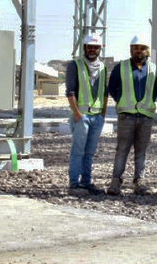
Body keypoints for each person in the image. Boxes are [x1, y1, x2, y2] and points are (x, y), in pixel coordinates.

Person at [106, 34, 157, 195]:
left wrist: (147, 102)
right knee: (122, 150)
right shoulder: (121, 67)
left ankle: (139, 181)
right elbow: (112, 88)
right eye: (136, 48)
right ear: (131, 49)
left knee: (141, 151)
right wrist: (122, 100)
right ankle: (116, 181)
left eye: (142, 48)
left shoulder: (154, 69)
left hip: (145, 117)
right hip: (126, 116)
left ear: (147, 51)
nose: (139, 51)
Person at [65, 32, 108, 196]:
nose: (92, 50)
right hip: (82, 116)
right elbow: (70, 92)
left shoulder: (102, 67)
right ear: (84, 47)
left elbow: (104, 92)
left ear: (100, 49)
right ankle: (74, 184)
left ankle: (86, 182)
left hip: (97, 117)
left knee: (89, 152)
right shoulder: (75, 65)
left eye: (96, 47)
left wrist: (102, 115)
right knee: (78, 151)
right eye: (90, 47)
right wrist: (77, 114)